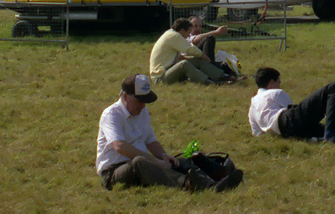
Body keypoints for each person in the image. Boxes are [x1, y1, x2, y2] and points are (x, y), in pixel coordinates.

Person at [96, 74, 243, 192]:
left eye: (145, 101)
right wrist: (155, 161)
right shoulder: (111, 114)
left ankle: (216, 176)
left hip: (144, 162)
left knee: (179, 161)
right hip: (113, 172)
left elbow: (151, 141)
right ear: (125, 96)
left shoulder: (143, 112)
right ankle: (191, 184)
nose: (143, 105)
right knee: (139, 162)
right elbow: (119, 146)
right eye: (140, 100)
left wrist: (165, 157)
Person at [149, 18, 230, 85]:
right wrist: (204, 56)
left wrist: (195, 59)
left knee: (196, 60)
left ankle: (223, 76)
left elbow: (179, 57)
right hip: (160, 78)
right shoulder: (174, 36)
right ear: (182, 31)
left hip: (167, 71)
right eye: (188, 32)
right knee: (184, 64)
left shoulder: (170, 35)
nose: (188, 35)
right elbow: (190, 49)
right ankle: (210, 83)